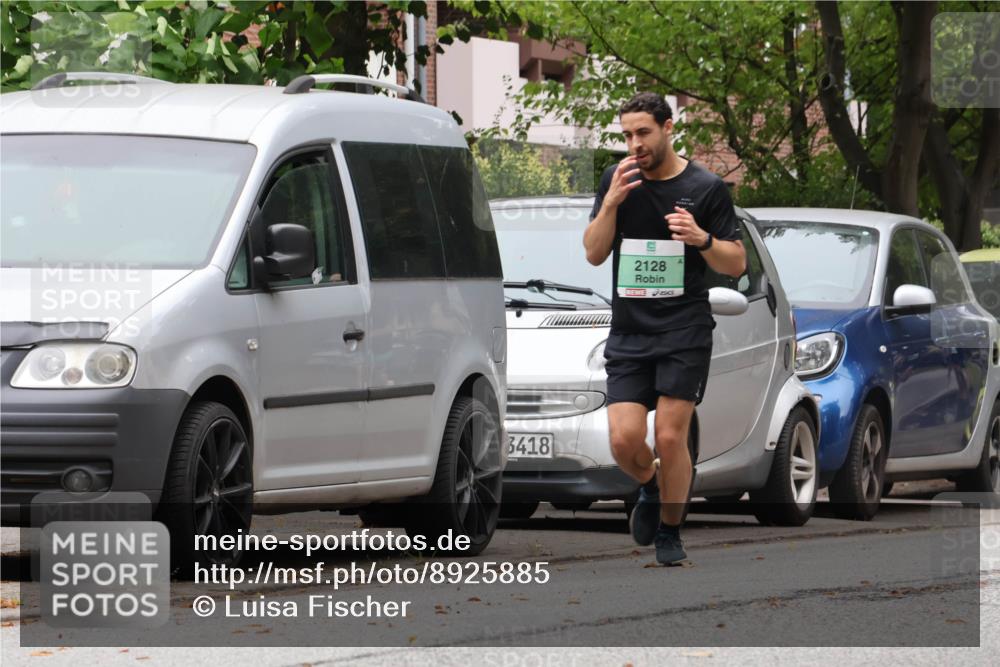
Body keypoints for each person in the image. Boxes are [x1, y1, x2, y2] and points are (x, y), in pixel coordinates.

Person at [583, 92, 747, 565]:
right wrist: (611, 202)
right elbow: (594, 252)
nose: (634, 144)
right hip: (630, 332)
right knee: (624, 441)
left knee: (671, 437)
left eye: (643, 133)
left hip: (684, 330)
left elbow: (735, 262)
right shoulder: (616, 179)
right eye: (627, 135)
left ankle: (671, 532)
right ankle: (651, 486)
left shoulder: (706, 186)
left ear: (669, 127)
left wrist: (701, 239)